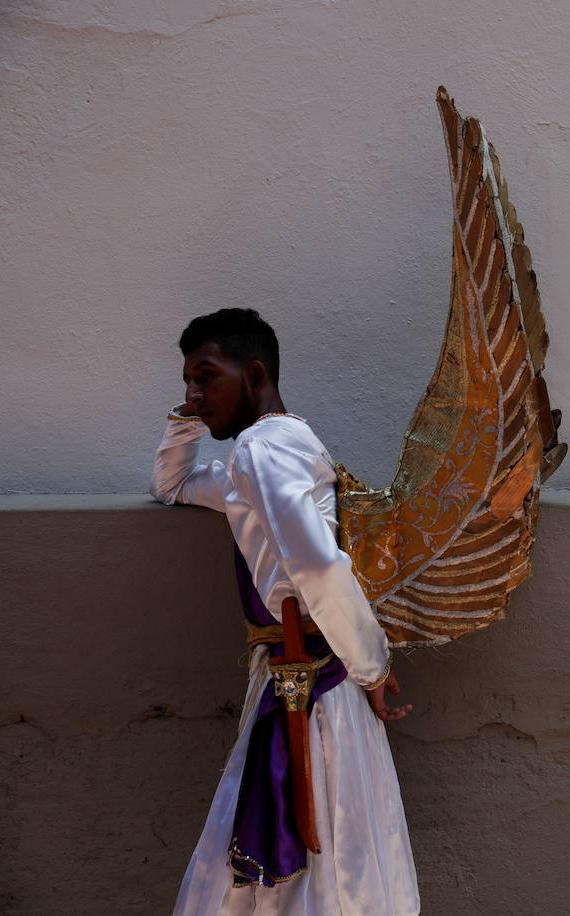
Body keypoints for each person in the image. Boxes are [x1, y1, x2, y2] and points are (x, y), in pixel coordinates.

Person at [150, 308, 420, 915]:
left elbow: (320, 568)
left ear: (254, 373)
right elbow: (171, 484)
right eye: (187, 382)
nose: (193, 395)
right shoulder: (261, 455)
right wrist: (187, 420)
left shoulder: (263, 449)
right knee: (333, 856)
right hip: (298, 678)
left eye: (204, 378)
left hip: (314, 687)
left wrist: (372, 669)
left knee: (317, 852)